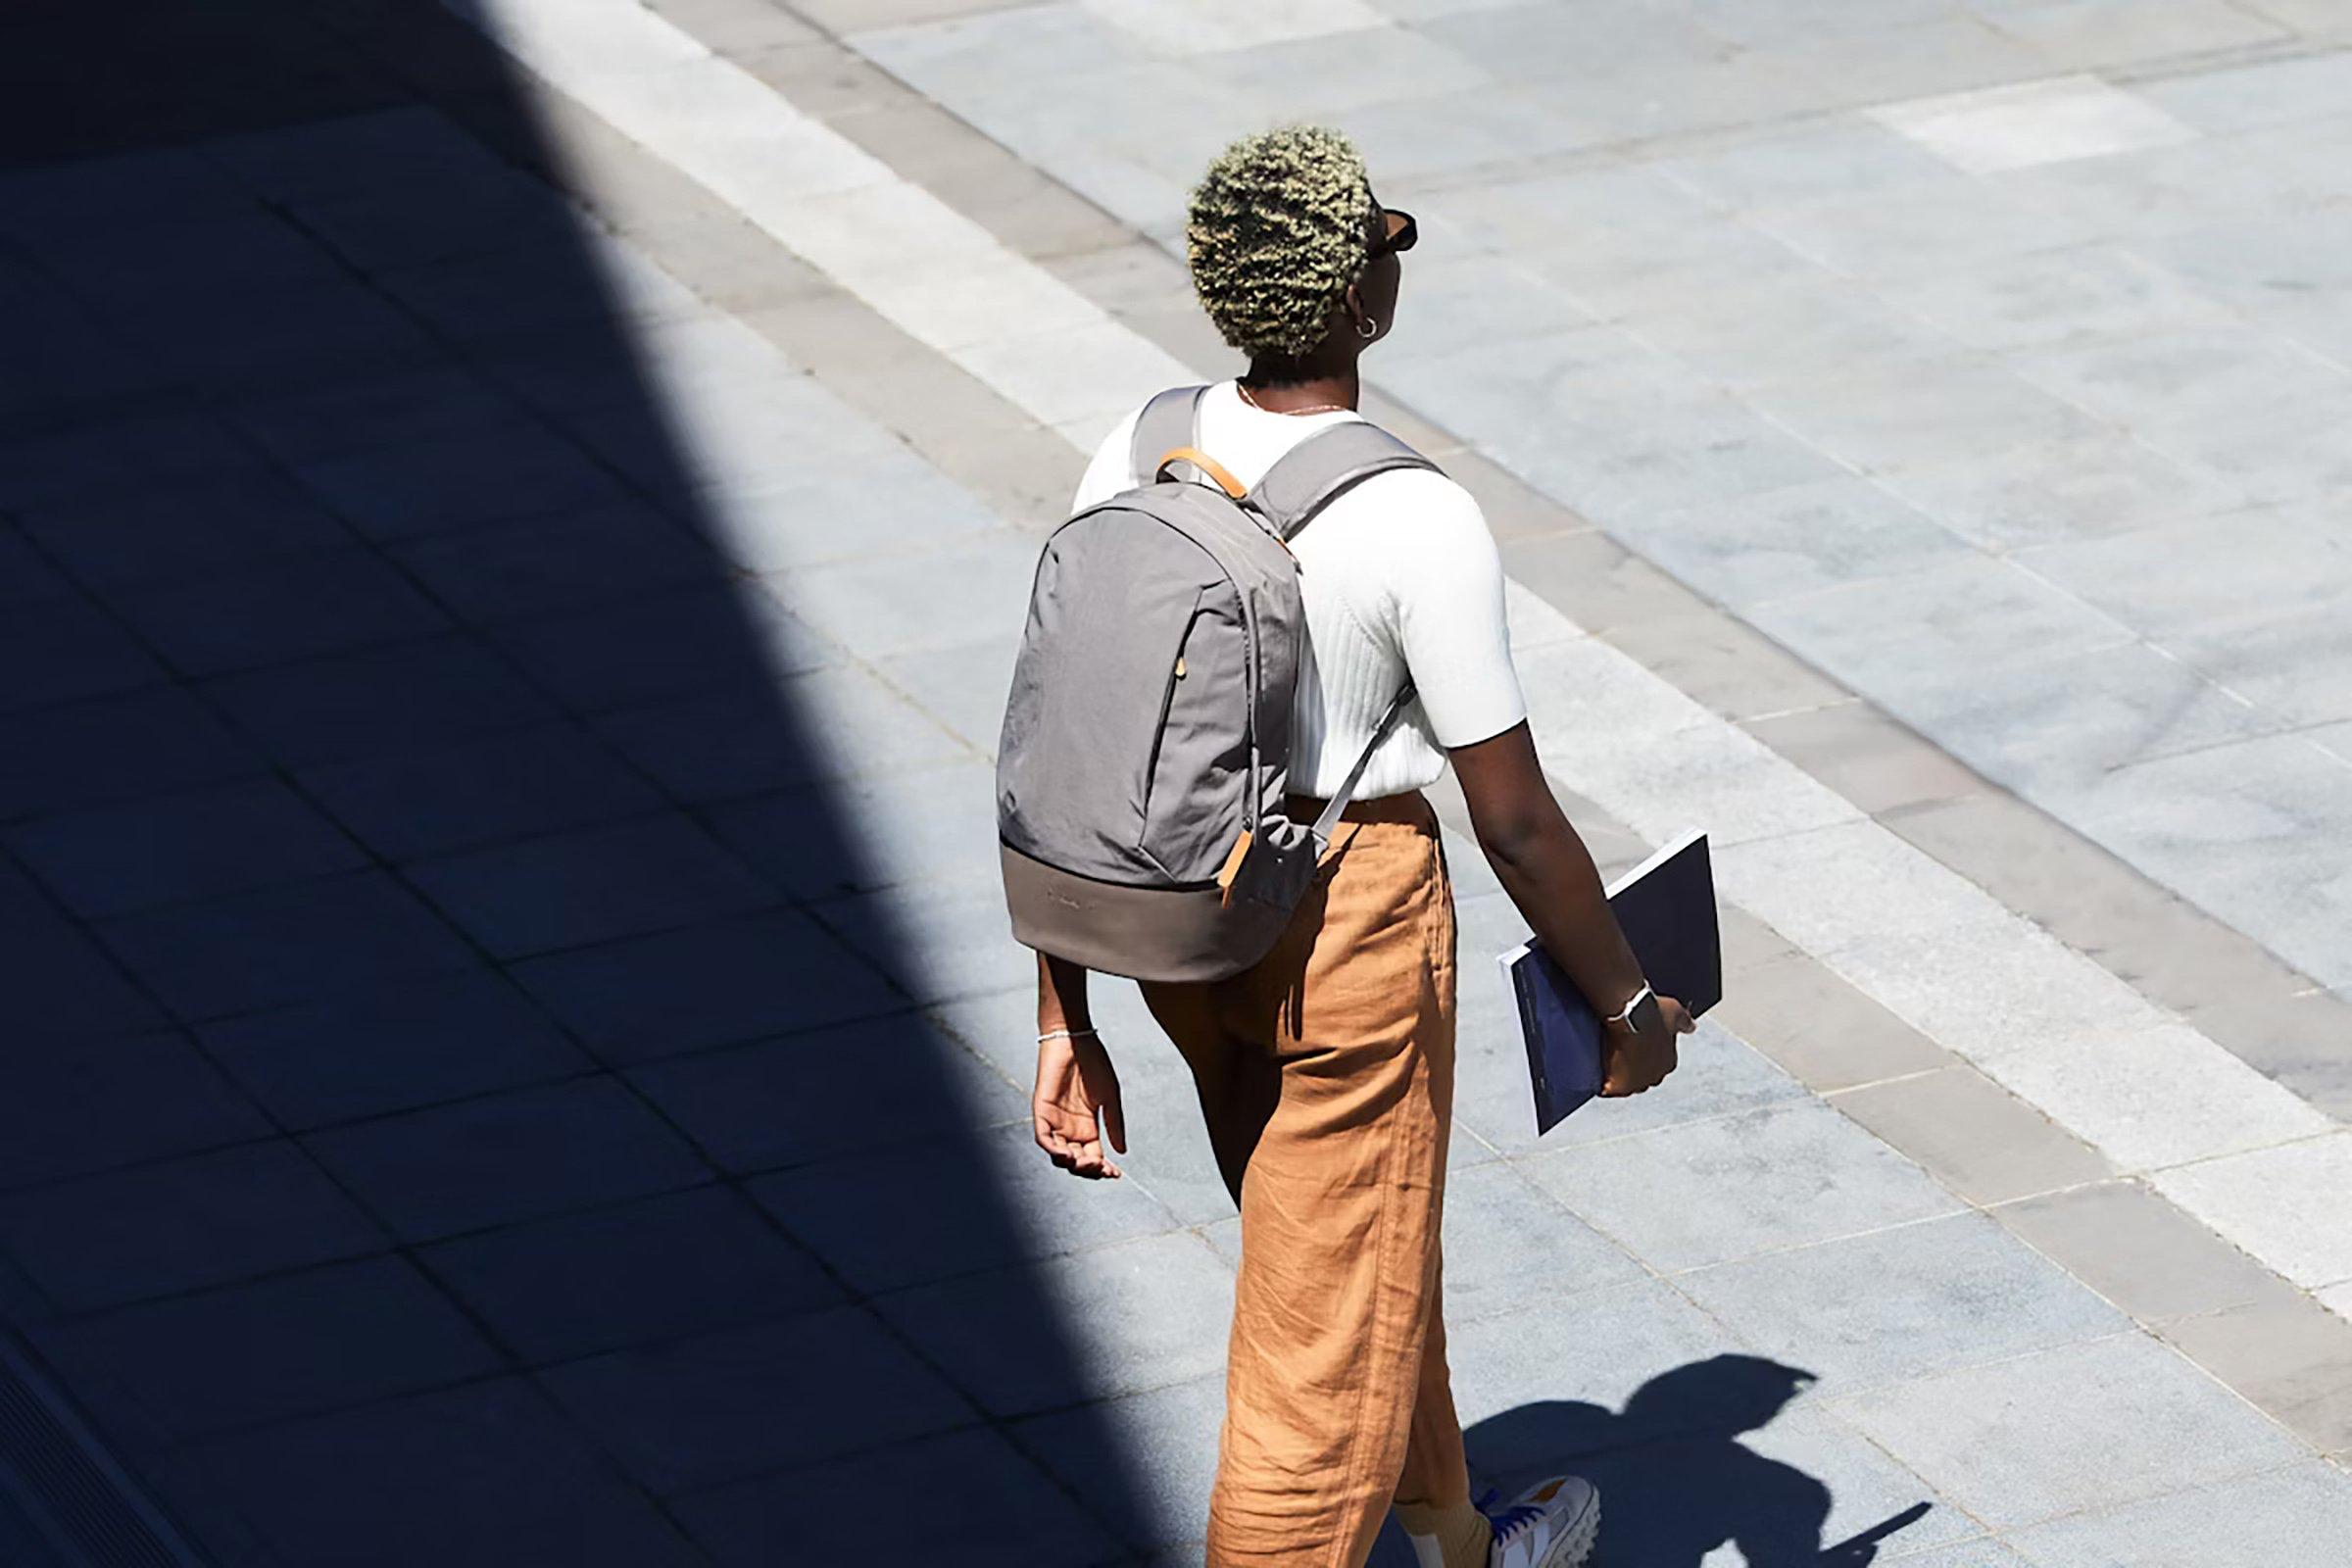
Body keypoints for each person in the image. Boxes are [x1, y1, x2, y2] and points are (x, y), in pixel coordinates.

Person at [1027, 124, 1695, 1568]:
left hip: (1176, 932)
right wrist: (1628, 1005)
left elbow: (1067, 751)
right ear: (1356, 302)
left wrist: (1062, 1009)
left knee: (1344, 1262)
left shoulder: (1139, 447)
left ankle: (1462, 1546)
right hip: (1348, 936)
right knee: (1315, 1360)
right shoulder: (1413, 516)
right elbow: (1512, 817)